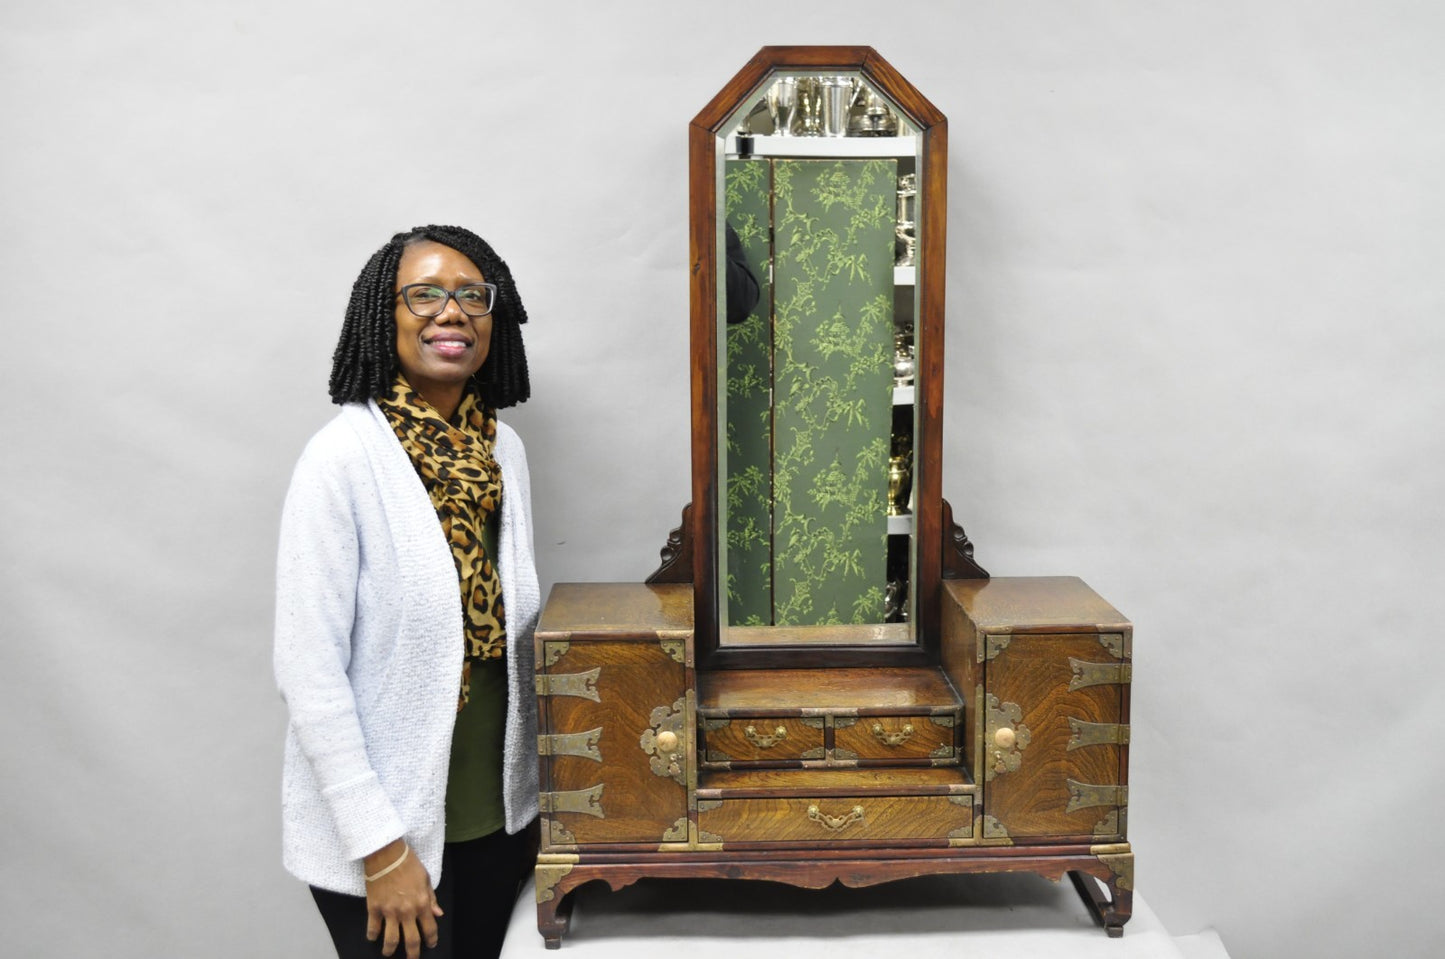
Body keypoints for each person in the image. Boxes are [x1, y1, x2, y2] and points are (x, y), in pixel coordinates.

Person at [274, 224, 540, 959]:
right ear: (381, 315)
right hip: (386, 837)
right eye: (423, 294)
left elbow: (510, 648)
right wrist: (381, 848)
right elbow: (309, 671)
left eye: (470, 296)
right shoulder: (341, 458)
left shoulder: (501, 451)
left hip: (498, 824)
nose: (450, 312)